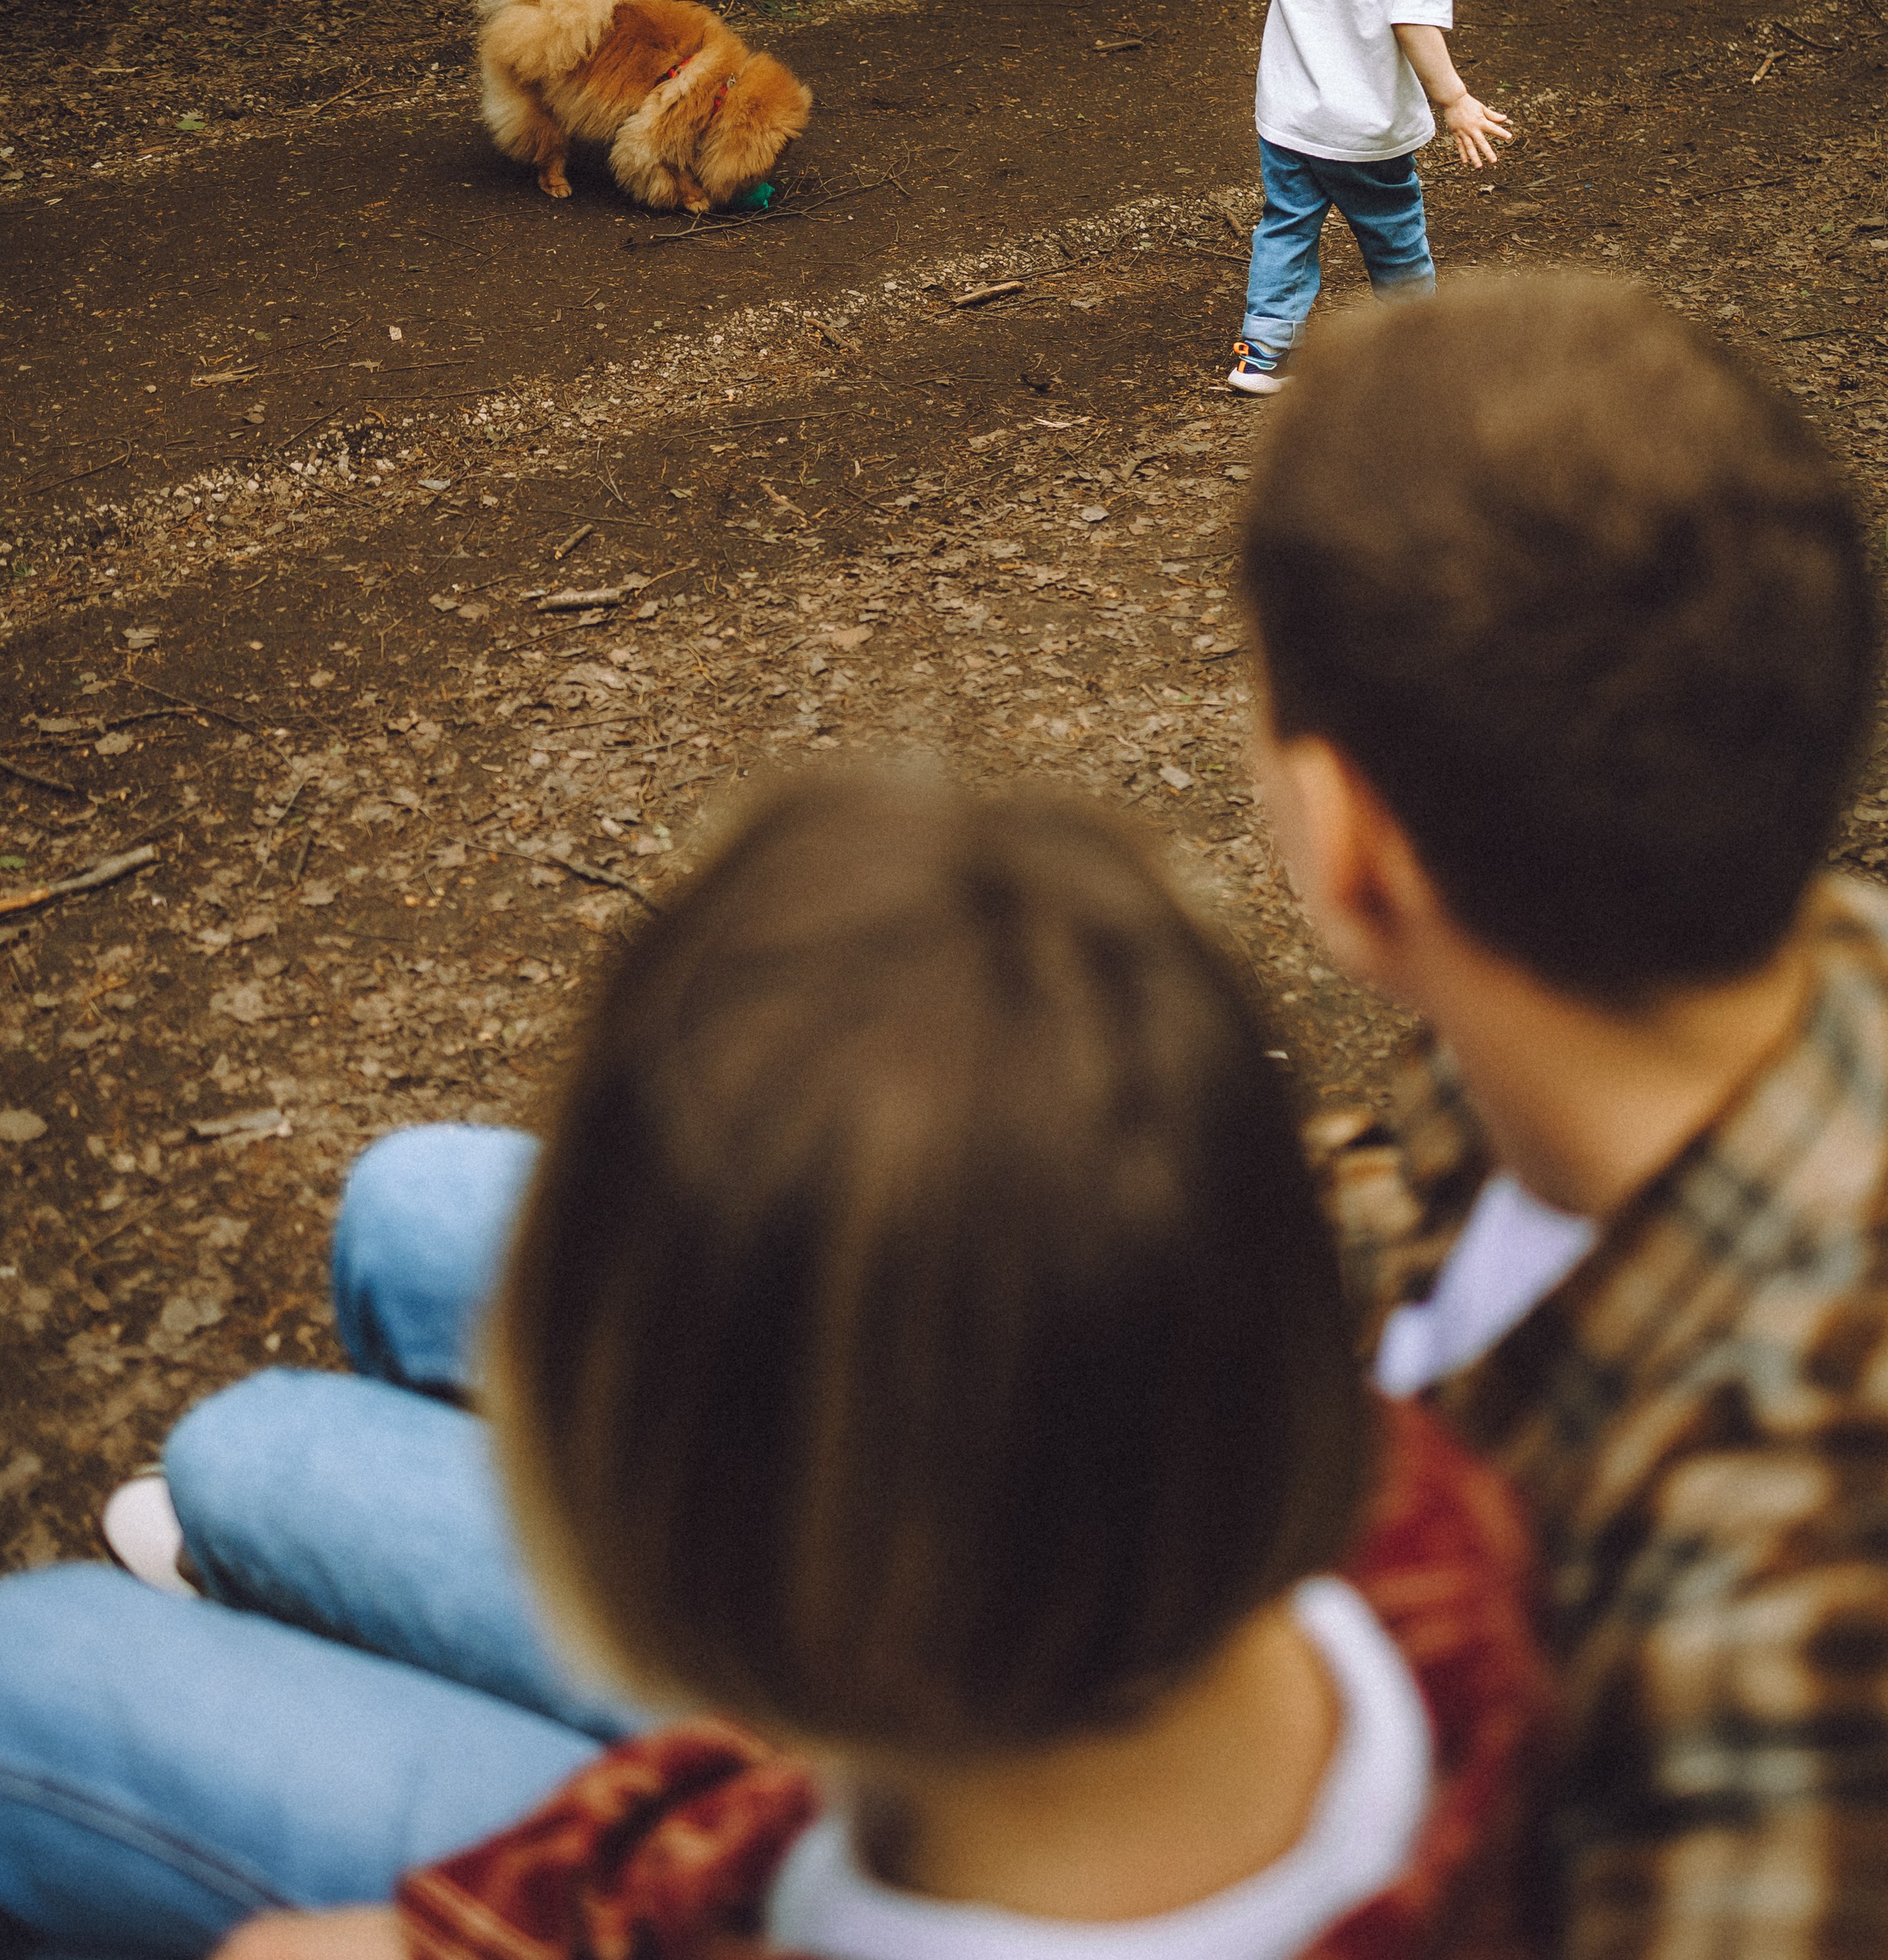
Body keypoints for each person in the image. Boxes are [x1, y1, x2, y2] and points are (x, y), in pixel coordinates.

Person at [0, 771, 1547, 1960]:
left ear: (675, 1613)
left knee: (46, 1654)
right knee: (264, 1424)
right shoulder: (1441, 1525)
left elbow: (695, 1866)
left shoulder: (761, 1896)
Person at [1235, 271, 1888, 1960]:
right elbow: (1398, 1219)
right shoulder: (1693, 952)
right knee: (439, 1217)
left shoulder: (1785, 1631)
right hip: (1258, 1546)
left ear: (1344, 837)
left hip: (1212, 1791)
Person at [1078, 0, 1509, 397]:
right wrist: (1453, 99)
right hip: (1368, 133)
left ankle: (1261, 355)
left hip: (1288, 122)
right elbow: (1413, 21)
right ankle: (1417, 352)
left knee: (1285, 228)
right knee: (1396, 240)